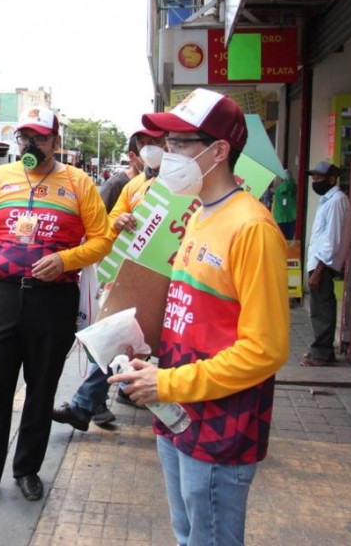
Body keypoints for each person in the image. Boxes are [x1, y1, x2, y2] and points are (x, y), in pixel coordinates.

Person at [109, 88, 290, 546]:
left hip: (220, 426)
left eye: (180, 143)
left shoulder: (253, 228)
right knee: (186, 533)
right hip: (176, 414)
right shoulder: (197, 216)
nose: (167, 155)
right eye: (166, 144)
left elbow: (265, 350)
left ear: (219, 151)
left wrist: (167, 384)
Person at [0, 107, 112, 514]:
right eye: (24, 136)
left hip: (53, 301)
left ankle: (27, 469)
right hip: (3, 296)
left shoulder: (78, 183)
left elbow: (102, 240)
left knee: (41, 391)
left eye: (39, 137)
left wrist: (66, 260)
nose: (30, 144)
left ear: (56, 143)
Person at [53, 128, 163, 431]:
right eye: (144, 144)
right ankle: (86, 404)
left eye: (158, 142)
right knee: (116, 334)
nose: (151, 149)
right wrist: (119, 221)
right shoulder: (134, 186)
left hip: (177, 279)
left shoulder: (187, 186)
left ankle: (168, 408)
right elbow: (107, 225)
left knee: (166, 347)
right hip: (136, 275)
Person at [302, 161, 351, 367]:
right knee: (318, 308)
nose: (315, 182)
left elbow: (332, 239)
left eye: (319, 179)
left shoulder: (336, 201)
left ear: (331, 179)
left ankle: (322, 353)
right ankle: (320, 350)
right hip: (318, 262)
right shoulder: (328, 200)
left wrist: (318, 271)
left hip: (324, 264)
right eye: (314, 179)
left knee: (323, 309)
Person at [272, 170, 297, 239]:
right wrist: (291, 180)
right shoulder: (294, 187)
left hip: (280, 218)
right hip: (291, 217)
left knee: (280, 240)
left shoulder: (278, 190)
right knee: (289, 240)